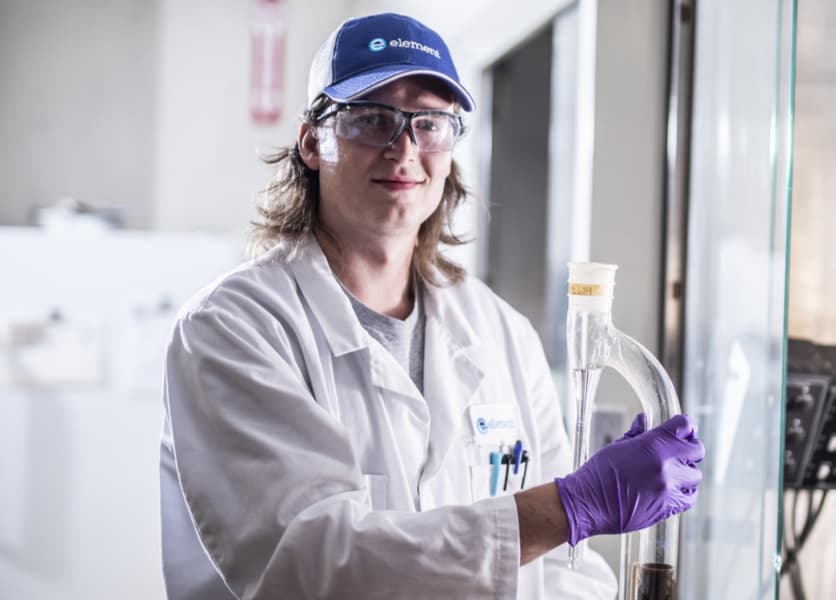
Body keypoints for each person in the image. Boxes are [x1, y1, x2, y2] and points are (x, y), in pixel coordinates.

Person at [159, 12, 704, 600]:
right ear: (313, 142)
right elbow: (311, 564)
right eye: (371, 119)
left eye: (430, 123)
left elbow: (561, 574)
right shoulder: (233, 328)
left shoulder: (502, 334)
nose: (404, 149)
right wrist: (569, 505)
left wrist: (579, 520)